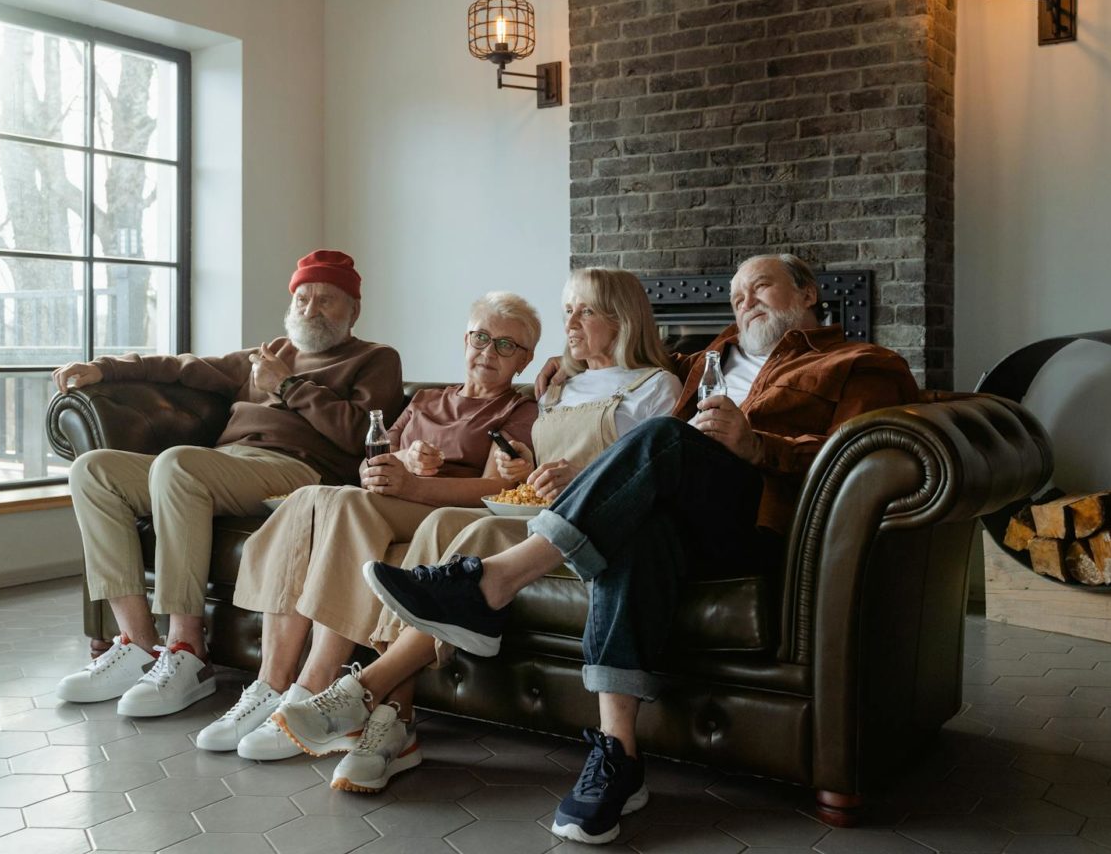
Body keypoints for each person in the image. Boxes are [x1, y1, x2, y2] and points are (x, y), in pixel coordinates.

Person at [365, 253, 921, 844]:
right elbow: (622, 358)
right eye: (735, 295)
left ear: (808, 294)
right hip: (682, 524)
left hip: (759, 521)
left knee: (664, 437)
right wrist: (563, 363)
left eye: (761, 287)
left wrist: (758, 446)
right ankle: (618, 757)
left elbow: (861, 456)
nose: (745, 302)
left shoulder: (861, 363)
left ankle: (491, 581)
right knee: (637, 531)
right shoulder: (705, 358)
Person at [270, 267, 682, 794]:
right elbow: (531, 462)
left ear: (622, 319)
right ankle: (390, 720)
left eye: (585, 311)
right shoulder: (558, 384)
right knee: (436, 521)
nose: (571, 322)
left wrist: (574, 478)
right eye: (567, 311)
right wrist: (522, 465)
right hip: (529, 509)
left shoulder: (656, 386)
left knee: (454, 523)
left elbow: (644, 472)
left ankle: (367, 694)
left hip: (586, 524)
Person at [190, 292, 541, 770]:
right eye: (481, 337)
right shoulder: (425, 399)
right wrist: (401, 461)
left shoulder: (519, 411)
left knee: (343, 504)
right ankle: (272, 686)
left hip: (446, 510)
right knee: (316, 497)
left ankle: (312, 690)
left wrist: (414, 483)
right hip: (396, 501)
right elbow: (373, 461)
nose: (488, 351)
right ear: (465, 340)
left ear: (526, 359)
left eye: (506, 345)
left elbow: (497, 489)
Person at [52, 249, 403, 718]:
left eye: (327, 300)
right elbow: (183, 367)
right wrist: (108, 368)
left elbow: (360, 432)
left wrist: (287, 387)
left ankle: (187, 651)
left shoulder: (374, 358)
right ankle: (137, 644)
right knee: (93, 470)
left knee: (178, 465)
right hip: (223, 465)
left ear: (353, 310)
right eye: (303, 298)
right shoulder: (268, 354)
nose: (311, 309)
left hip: (298, 475)